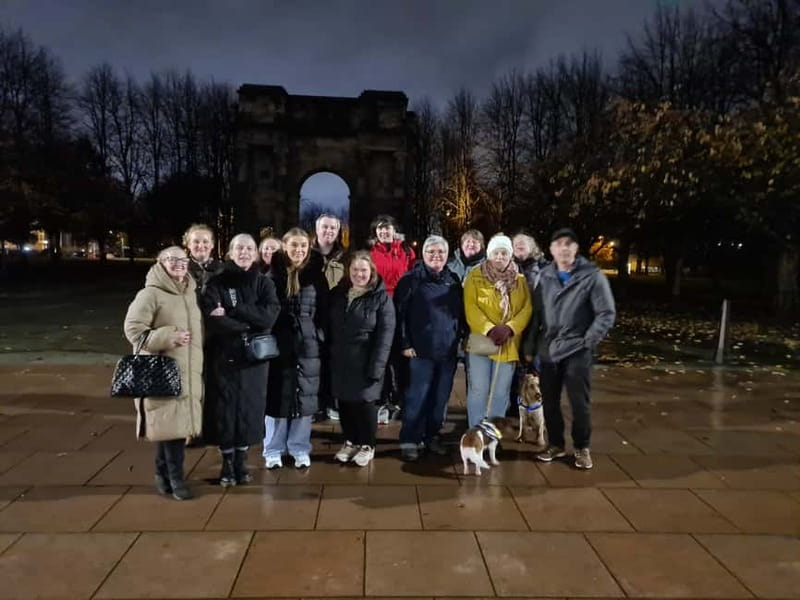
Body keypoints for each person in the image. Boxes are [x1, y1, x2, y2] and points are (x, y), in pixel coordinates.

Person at [525, 227, 615, 470]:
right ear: (552, 250)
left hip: (578, 349)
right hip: (549, 349)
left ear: (575, 249)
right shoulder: (545, 278)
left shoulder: (592, 276)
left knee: (579, 402)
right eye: (558, 245)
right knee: (550, 401)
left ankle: (581, 447)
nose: (563, 249)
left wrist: (589, 339)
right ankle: (555, 443)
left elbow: (606, 313)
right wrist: (531, 347)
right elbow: (537, 315)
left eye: (568, 244)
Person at [123, 246, 203, 500]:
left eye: (183, 260)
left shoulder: (189, 292)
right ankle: (175, 479)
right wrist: (168, 336)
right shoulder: (150, 294)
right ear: (160, 263)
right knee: (174, 432)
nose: (179, 264)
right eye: (172, 259)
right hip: (162, 372)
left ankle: (163, 475)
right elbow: (134, 330)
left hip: (187, 370)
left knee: (171, 430)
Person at [203, 233, 280, 486]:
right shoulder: (217, 282)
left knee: (248, 408)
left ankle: (241, 460)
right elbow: (213, 317)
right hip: (223, 356)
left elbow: (269, 317)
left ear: (256, 253)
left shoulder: (264, 283)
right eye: (239, 248)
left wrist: (235, 311)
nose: (244, 252)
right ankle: (226, 462)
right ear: (230, 252)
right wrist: (248, 323)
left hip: (254, 359)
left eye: (249, 248)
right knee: (224, 409)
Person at [263, 227, 329, 469]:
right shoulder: (272, 275)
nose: (299, 250)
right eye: (294, 246)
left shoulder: (316, 275)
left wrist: (319, 334)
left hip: (308, 343)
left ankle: (299, 447)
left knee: (305, 398)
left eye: (303, 246)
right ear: (284, 246)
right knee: (277, 399)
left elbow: (324, 310)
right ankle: (273, 448)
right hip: (280, 342)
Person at [394, 235, 463, 462]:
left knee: (440, 399)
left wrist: (460, 338)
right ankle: (409, 439)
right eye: (431, 252)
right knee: (417, 397)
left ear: (447, 255)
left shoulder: (452, 280)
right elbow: (400, 314)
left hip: (447, 350)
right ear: (423, 254)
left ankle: (432, 436)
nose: (436, 256)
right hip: (420, 351)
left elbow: (459, 314)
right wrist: (405, 343)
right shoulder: (411, 280)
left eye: (441, 252)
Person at [329, 251, 395, 466]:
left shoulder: (380, 297)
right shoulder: (339, 293)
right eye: (355, 270)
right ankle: (350, 441)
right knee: (345, 404)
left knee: (365, 405)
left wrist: (377, 367)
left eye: (364, 270)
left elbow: (385, 335)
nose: (359, 274)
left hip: (367, 360)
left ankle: (367, 445)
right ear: (349, 271)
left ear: (372, 272)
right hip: (341, 360)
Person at [464, 234, 532, 428]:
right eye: (496, 252)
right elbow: (470, 306)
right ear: (489, 254)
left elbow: (526, 308)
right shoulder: (475, 276)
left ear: (510, 255)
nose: (500, 257)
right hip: (482, 340)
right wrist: (489, 328)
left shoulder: (519, 280)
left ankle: (492, 432)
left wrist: (510, 328)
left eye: (504, 253)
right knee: (479, 388)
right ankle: (476, 429)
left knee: (500, 391)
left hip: (507, 343)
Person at [368, 214, 416, 420]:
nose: (384, 232)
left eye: (387, 228)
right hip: (381, 307)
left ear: (395, 231)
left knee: (402, 356)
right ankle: (384, 399)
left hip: (403, 306)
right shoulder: (371, 254)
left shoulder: (407, 252)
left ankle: (403, 399)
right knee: (383, 356)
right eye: (380, 229)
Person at [183, 223, 224, 448]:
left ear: (212, 245)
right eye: (196, 241)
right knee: (190, 385)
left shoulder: (221, 269)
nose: (201, 245)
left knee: (215, 383)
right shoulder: (181, 269)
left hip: (215, 334)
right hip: (189, 335)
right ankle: (191, 429)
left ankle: (212, 428)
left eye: (205, 241)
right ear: (188, 245)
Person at [310, 213, 346, 421]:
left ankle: (332, 402)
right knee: (313, 364)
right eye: (325, 227)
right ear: (317, 229)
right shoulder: (307, 255)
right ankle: (316, 404)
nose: (329, 231)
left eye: (333, 228)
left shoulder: (345, 256)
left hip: (336, 318)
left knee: (334, 363)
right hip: (312, 316)